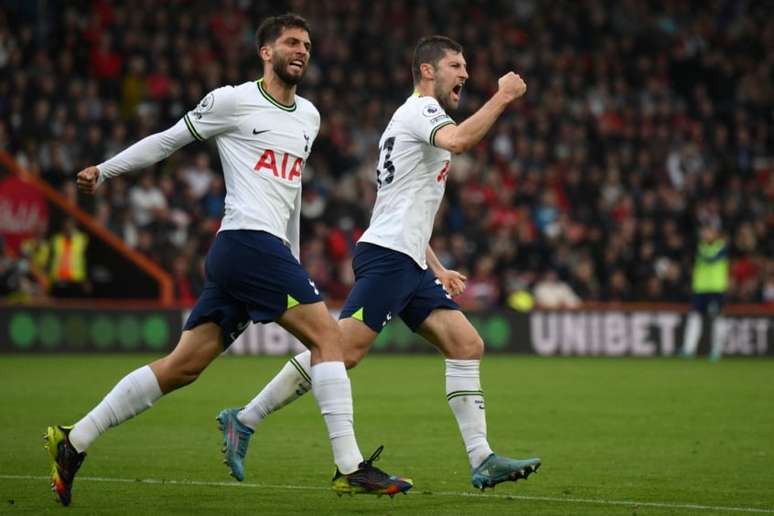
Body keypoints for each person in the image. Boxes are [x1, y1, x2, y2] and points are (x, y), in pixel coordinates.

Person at [45, 14, 412, 507]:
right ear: (266, 52)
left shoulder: (309, 117)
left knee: (183, 366)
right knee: (329, 338)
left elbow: (292, 193)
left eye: (306, 44)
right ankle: (349, 467)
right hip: (244, 243)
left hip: (263, 253)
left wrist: (294, 257)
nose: (301, 51)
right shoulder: (231, 100)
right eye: (290, 43)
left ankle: (74, 441)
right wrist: (105, 171)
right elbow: (169, 139)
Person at [218, 35, 541, 492]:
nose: (465, 74)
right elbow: (462, 141)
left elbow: (402, 204)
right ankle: (245, 419)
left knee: (466, 344)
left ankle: (482, 458)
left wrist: (437, 265)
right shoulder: (423, 111)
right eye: (456, 64)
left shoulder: (412, 118)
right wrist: (504, 96)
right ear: (428, 71)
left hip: (407, 257)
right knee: (340, 350)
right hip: (389, 258)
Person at [680, 222, 730, 361]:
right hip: (700, 289)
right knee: (694, 317)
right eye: (704, 232)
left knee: (717, 318)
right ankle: (689, 349)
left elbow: (710, 259)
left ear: (715, 233)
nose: (705, 234)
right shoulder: (700, 247)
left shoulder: (721, 247)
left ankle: (716, 351)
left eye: (709, 231)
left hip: (716, 289)